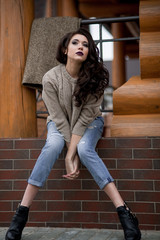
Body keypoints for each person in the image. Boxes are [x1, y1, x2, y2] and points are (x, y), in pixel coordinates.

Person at [5, 28, 141, 240]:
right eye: (76, 43)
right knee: (52, 146)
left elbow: (85, 118)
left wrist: (72, 154)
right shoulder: (50, 78)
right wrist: (70, 151)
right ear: (65, 49)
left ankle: (125, 213)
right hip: (59, 124)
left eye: (85, 45)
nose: (80, 47)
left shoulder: (95, 77)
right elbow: (58, 118)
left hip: (90, 124)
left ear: (88, 52)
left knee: (86, 149)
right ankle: (20, 216)